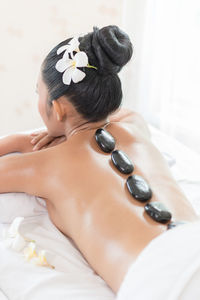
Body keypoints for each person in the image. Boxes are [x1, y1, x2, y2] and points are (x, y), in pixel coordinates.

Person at [0, 25, 199, 296]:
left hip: (160, 280)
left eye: (39, 93)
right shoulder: (135, 126)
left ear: (57, 108)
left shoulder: (44, 166)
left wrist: (18, 141)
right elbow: (116, 115)